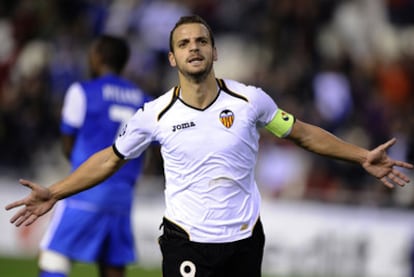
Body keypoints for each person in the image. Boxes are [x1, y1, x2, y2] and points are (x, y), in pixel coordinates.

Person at [5, 15, 413, 277]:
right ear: (171, 58)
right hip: (186, 242)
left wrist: (362, 156)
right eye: (184, 44)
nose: (194, 47)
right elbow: (109, 160)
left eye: (201, 41)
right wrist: (55, 192)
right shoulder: (154, 114)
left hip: (245, 241)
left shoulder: (251, 100)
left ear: (215, 51)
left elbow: (302, 133)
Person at [36, 35, 152, 277]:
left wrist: (86, 174)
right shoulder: (144, 100)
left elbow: (68, 144)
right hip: (122, 196)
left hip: (86, 191)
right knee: (112, 267)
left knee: (54, 256)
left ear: (98, 56)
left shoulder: (82, 91)